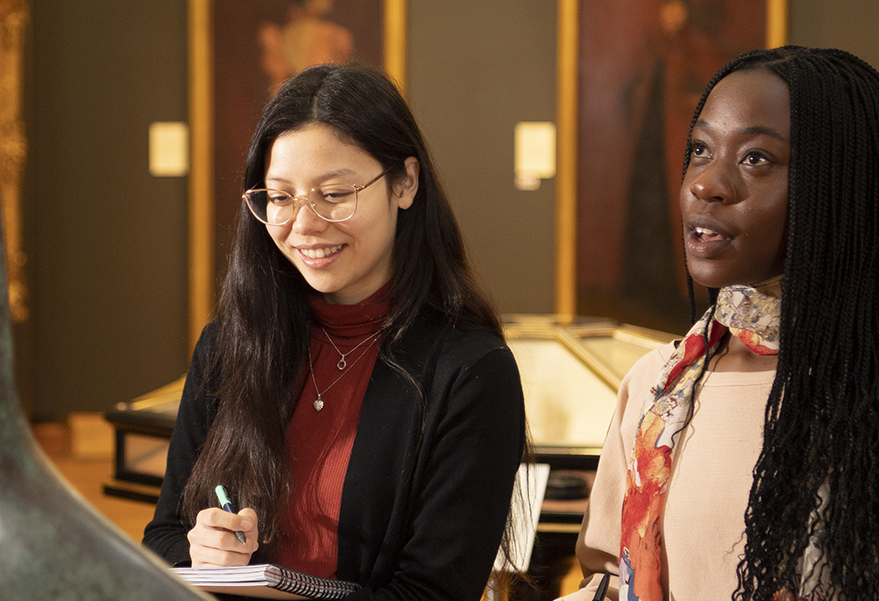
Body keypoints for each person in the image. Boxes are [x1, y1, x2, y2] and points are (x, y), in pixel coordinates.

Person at [142, 63, 526, 600]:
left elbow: (432, 593)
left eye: (334, 193)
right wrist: (200, 552)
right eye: (280, 197)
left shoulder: (470, 374)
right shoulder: (232, 345)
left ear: (405, 183)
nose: (304, 225)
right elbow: (163, 535)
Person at [560, 46, 879, 601]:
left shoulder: (861, 388)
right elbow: (612, 581)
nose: (706, 184)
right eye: (701, 149)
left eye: (755, 158)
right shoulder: (657, 384)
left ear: (843, 184)